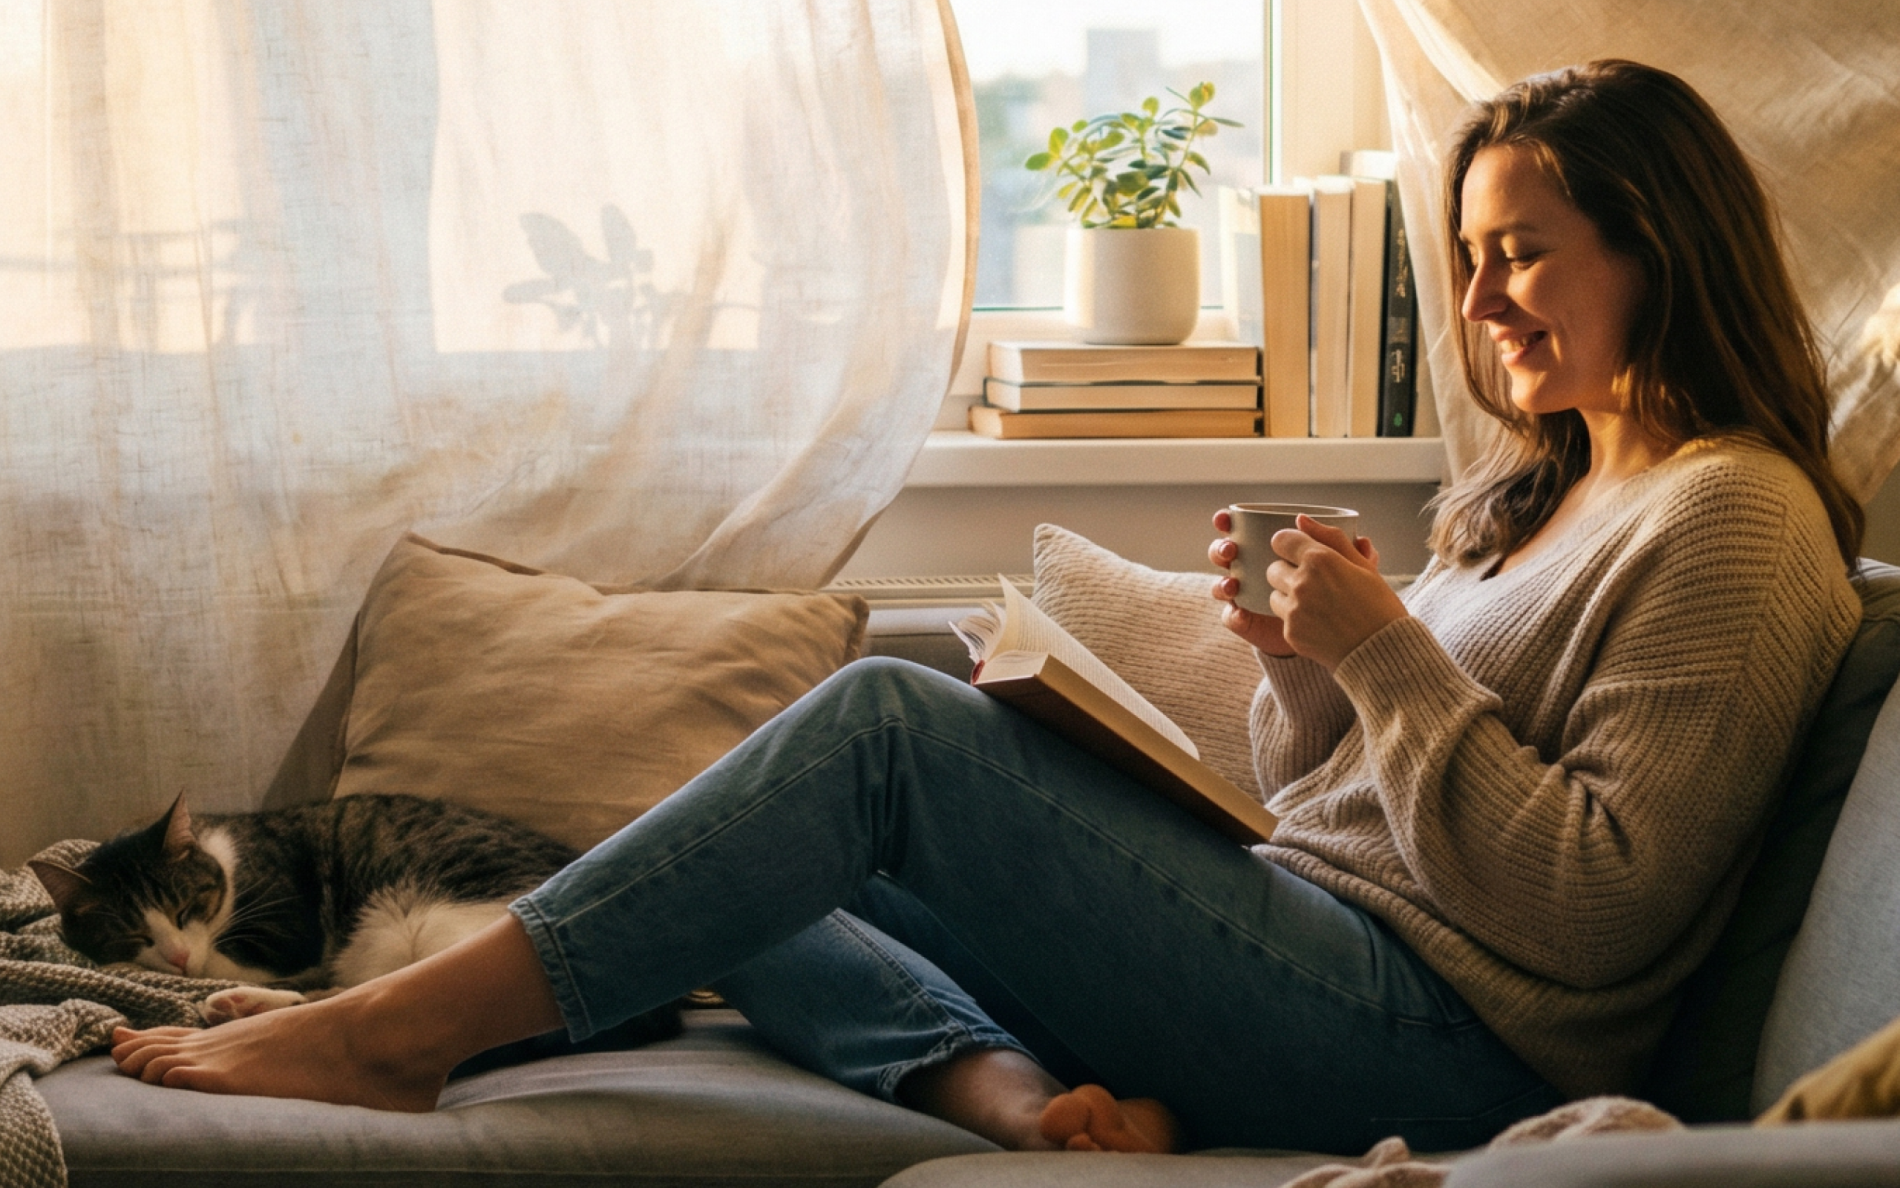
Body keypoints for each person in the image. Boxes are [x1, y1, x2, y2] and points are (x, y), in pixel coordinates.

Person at [109, 59, 1864, 1156]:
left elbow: (1596, 902)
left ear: (1663, 247)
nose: (1481, 296)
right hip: (1306, 939)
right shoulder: (1547, 491)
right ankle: (1019, 1105)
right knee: (727, 851)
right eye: (1469, 253)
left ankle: (391, 1041)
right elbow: (1355, 790)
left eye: (1527, 249)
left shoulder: (1736, 523)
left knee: (881, 729)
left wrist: (1380, 651)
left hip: (1442, 1040)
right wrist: (1299, 674)